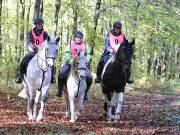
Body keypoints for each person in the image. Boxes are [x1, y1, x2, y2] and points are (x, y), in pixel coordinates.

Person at [16, 17, 56, 84]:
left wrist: (42, 50)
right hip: (33, 50)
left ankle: (52, 77)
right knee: (24, 60)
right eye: (38, 24)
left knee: (51, 63)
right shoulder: (31, 33)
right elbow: (29, 42)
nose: (40, 25)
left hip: (42, 52)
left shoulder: (45, 34)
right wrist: (33, 48)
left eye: (41, 24)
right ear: (36, 25)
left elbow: (47, 43)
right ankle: (21, 76)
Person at [56, 30, 93, 100]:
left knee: (89, 77)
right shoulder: (70, 44)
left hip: (82, 66)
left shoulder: (85, 45)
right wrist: (71, 61)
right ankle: (59, 91)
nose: (79, 39)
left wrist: (86, 60)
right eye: (77, 37)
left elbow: (88, 54)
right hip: (71, 64)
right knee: (62, 73)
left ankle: (85, 93)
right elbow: (67, 53)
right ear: (75, 38)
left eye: (80, 38)